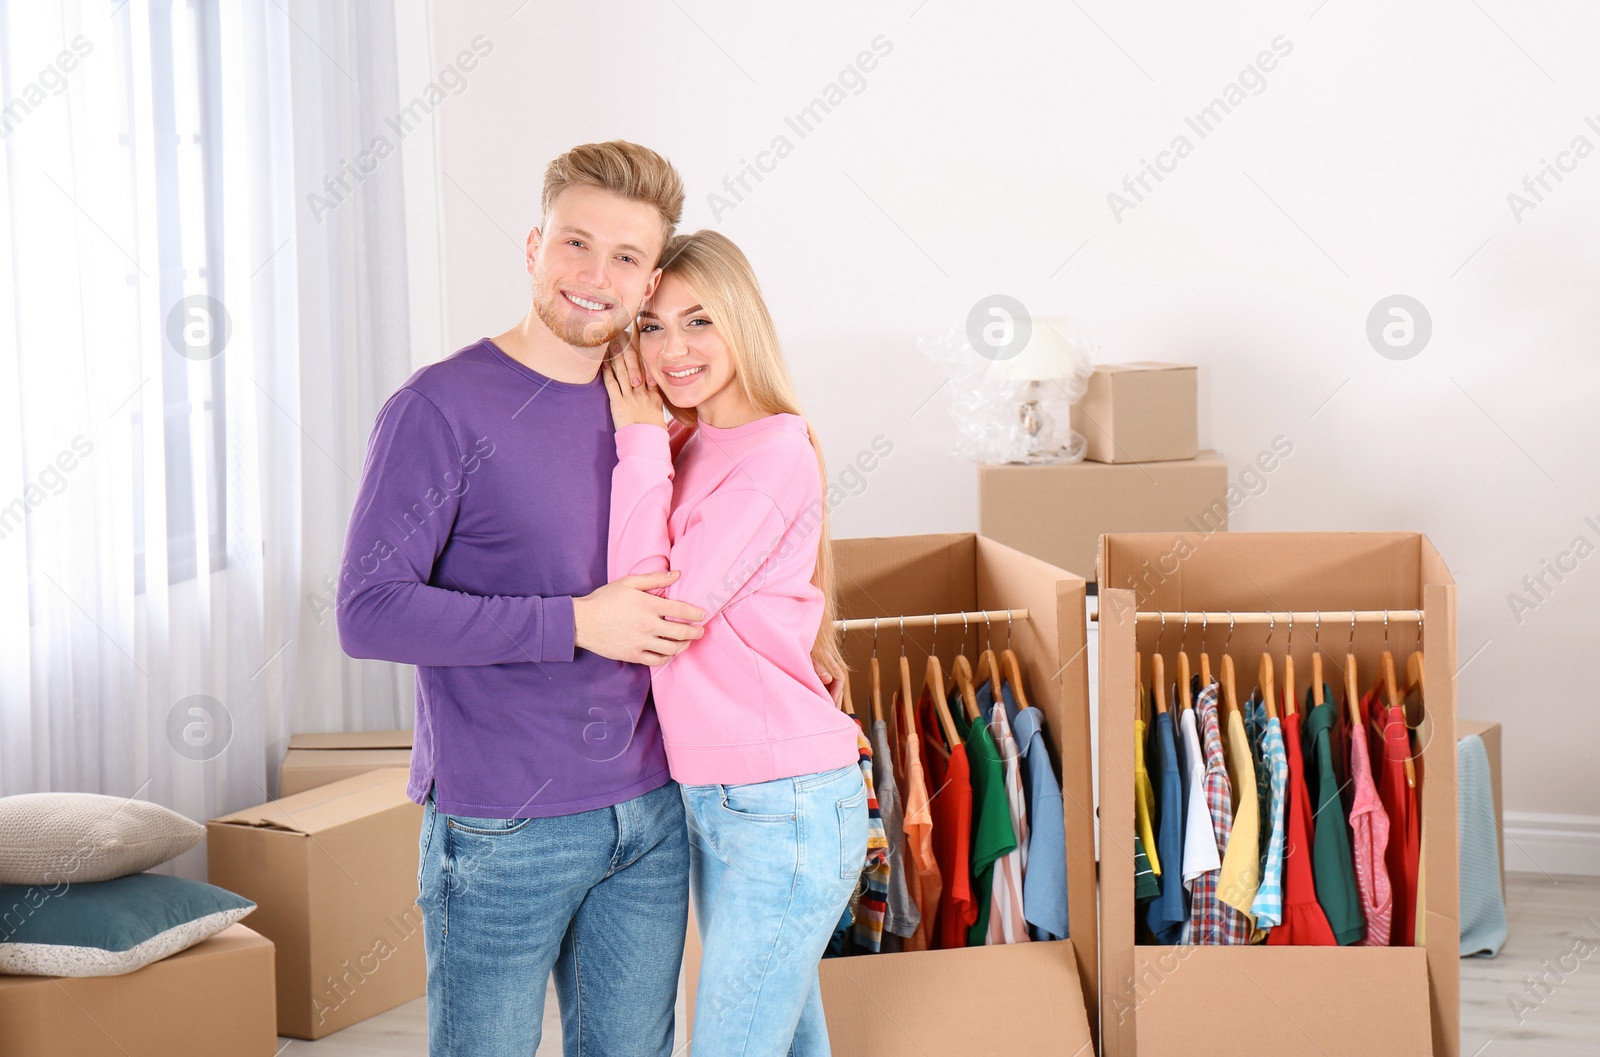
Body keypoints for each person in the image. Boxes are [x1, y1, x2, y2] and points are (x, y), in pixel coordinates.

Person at [338, 141, 743, 1057]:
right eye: (575, 243)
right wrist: (577, 621)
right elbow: (367, 610)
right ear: (532, 247)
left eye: (627, 257)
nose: (595, 276)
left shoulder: (655, 406)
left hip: (650, 814)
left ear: (650, 283)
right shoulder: (438, 408)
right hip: (500, 824)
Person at [602, 229, 868, 1057]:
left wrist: (639, 441)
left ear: (742, 322)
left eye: (698, 321)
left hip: (781, 803)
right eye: (651, 327)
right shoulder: (690, 442)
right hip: (720, 795)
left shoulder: (776, 449)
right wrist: (653, 442)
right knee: (784, 1042)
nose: (673, 349)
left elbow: (661, 615)